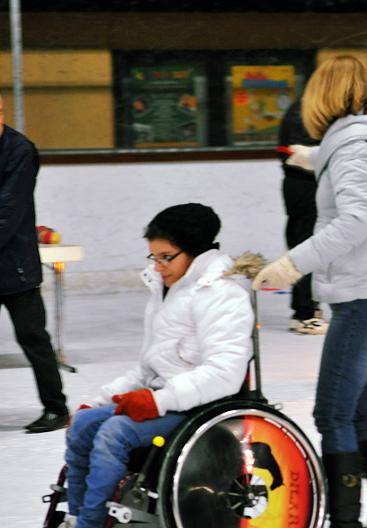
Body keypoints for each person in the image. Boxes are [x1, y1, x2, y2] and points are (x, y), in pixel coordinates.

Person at [252, 55, 367, 528]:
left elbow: (355, 221)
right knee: (355, 407)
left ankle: (347, 521)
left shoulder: (353, 148)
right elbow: (359, 166)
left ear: (328, 95)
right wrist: (311, 157)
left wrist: (291, 266)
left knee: (333, 413)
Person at [63, 203, 254, 528]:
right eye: (154, 257)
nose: (158, 266)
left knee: (114, 433)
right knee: (84, 423)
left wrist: (157, 400)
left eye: (167, 257)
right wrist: (99, 401)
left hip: (204, 409)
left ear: (194, 253)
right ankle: (75, 515)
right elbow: (149, 367)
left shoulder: (222, 293)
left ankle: (90, 523)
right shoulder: (169, 289)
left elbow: (225, 374)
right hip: (167, 400)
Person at [0, 92, 69, 434]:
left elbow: (8, 213)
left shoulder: (20, 151)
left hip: (16, 267)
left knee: (33, 338)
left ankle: (56, 408)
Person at [277, 96, 328, 335]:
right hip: (305, 184)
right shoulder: (309, 109)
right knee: (306, 244)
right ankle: (304, 312)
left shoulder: (305, 107)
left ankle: (307, 308)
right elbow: (304, 153)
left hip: (302, 184)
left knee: (304, 242)